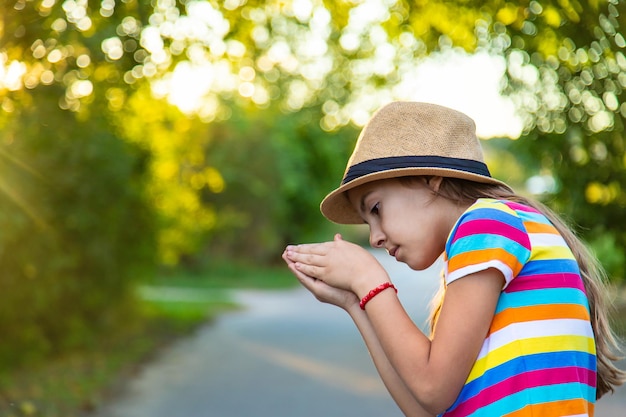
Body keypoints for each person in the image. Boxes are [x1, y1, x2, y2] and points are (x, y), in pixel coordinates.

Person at [282, 102, 625, 417]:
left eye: (376, 209)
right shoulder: (487, 239)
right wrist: (356, 303)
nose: (375, 237)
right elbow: (427, 408)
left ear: (431, 179)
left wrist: (370, 279)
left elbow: (432, 389)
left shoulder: (485, 224)